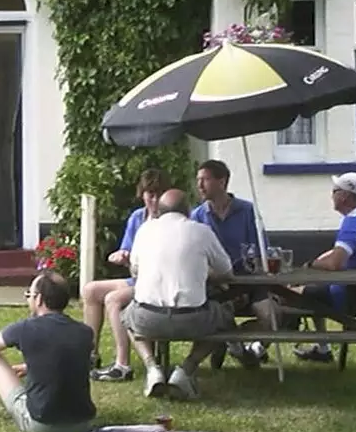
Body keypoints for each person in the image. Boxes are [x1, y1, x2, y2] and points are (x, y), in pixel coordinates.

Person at [0, 272, 98, 432]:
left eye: (28, 295)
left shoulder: (26, 328)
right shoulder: (84, 332)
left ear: (39, 299)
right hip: (83, 424)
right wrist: (32, 366)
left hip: (41, 422)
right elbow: (71, 361)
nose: (28, 300)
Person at [121, 188, 240, 399]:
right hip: (193, 318)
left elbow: (135, 270)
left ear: (159, 210)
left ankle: (152, 367)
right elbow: (226, 271)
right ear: (188, 209)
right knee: (225, 317)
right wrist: (203, 271)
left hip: (148, 318)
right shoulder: (202, 231)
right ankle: (186, 369)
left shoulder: (145, 230)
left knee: (126, 316)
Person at [294, 172, 356, 363]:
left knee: (295, 294)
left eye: (334, 191)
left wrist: (311, 265)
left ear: (344, 196)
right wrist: (317, 261)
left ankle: (260, 345)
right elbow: (336, 252)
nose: (331, 195)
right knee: (311, 291)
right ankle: (323, 348)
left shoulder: (353, 222)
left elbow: (334, 263)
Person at [84, 168, 167, 382]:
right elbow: (125, 251)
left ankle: (122, 364)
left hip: (156, 282)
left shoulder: (170, 220)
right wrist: (121, 255)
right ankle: (90, 354)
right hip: (136, 278)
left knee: (114, 299)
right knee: (91, 290)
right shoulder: (137, 218)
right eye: (150, 194)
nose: (154, 200)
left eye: (159, 195)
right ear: (143, 195)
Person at [191, 159, 271, 367]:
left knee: (271, 316)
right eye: (198, 180)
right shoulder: (197, 217)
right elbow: (193, 258)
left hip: (249, 280)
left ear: (222, 182)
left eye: (205, 180)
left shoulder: (247, 211)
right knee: (217, 312)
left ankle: (241, 344)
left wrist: (253, 276)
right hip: (215, 284)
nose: (199, 185)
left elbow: (263, 249)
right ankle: (235, 348)